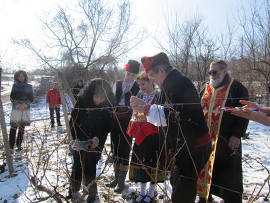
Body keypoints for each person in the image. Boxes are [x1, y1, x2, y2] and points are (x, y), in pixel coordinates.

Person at [130, 52, 212, 203]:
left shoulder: (178, 83)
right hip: (184, 144)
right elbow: (166, 114)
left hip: (192, 146)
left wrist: (145, 108)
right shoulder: (170, 82)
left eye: (151, 75)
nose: (151, 79)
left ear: (161, 71)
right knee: (179, 185)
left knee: (183, 190)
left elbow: (175, 116)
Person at [197, 60, 249, 203]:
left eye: (215, 72)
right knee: (206, 169)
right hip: (207, 140)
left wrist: (237, 134)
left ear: (224, 71)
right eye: (210, 72)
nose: (211, 75)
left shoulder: (236, 88)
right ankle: (205, 196)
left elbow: (244, 113)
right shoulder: (206, 88)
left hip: (226, 141)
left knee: (229, 175)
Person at [67, 78, 114, 203]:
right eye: (97, 96)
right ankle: (73, 190)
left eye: (102, 97)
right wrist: (75, 137)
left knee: (90, 165)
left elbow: (107, 127)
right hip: (80, 138)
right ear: (91, 94)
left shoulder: (107, 106)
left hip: (97, 140)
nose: (99, 100)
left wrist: (97, 138)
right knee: (77, 164)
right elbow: (73, 121)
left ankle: (92, 194)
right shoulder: (82, 102)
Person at [126, 72, 164, 203]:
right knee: (141, 162)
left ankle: (151, 192)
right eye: (139, 84)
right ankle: (142, 192)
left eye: (143, 84)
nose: (141, 87)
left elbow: (161, 114)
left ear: (150, 82)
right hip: (141, 133)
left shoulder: (159, 94)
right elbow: (135, 112)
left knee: (153, 162)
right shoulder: (140, 95)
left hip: (154, 134)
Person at [106, 60, 140, 193]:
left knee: (125, 148)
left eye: (133, 75)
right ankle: (115, 178)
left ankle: (121, 182)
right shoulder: (118, 84)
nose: (130, 77)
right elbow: (112, 100)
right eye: (129, 74)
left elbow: (138, 105)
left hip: (128, 120)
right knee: (115, 147)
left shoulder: (137, 87)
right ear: (126, 72)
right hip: (115, 119)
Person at [9, 70, 34, 152]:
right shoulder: (14, 86)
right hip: (16, 109)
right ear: (17, 77)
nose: (21, 78)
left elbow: (31, 98)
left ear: (25, 77)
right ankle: (10, 146)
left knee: (21, 128)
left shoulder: (29, 86)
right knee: (13, 128)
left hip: (25, 109)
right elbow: (12, 97)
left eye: (22, 76)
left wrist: (24, 105)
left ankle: (19, 145)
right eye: (19, 76)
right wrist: (17, 105)